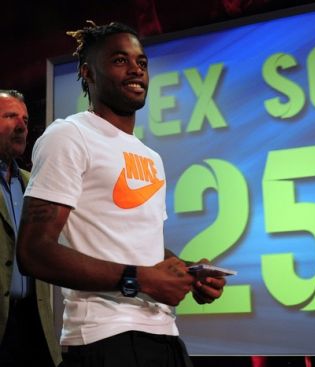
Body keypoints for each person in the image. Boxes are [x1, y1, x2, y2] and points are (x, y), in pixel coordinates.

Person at [16, 22, 226, 367]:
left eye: (141, 62)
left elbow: (143, 245)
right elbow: (33, 251)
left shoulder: (150, 156)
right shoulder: (69, 136)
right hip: (104, 337)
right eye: (119, 60)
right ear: (88, 73)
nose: (135, 70)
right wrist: (140, 279)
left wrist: (189, 272)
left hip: (165, 334)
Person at [0, 90, 62, 366]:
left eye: (25, 118)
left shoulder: (33, 183)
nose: (22, 125)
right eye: (10, 116)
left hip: (32, 325)